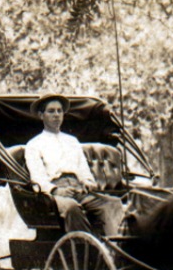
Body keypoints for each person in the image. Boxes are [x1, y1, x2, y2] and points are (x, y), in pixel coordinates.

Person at [24, 94, 124, 236]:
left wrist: (88, 182)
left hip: (77, 188)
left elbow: (83, 168)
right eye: (51, 111)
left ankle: (116, 248)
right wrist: (56, 190)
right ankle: (84, 249)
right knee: (72, 208)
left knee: (112, 203)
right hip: (53, 195)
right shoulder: (34, 145)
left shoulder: (72, 141)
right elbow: (38, 177)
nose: (56, 115)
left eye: (59, 111)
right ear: (41, 115)